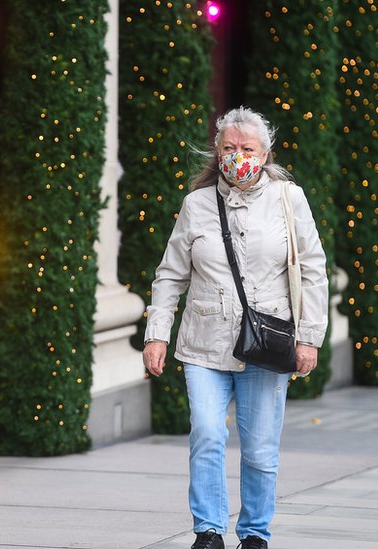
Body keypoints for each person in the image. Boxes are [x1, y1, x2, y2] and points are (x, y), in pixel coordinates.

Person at [142, 106, 329, 549]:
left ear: (264, 154)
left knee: (261, 451)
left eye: (247, 149)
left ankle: (255, 534)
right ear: (217, 150)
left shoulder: (289, 199)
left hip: (267, 342)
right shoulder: (197, 204)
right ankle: (208, 531)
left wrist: (309, 338)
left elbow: (313, 271)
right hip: (204, 342)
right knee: (206, 433)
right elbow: (171, 274)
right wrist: (156, 334)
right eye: (229, 147)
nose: (237, 156)